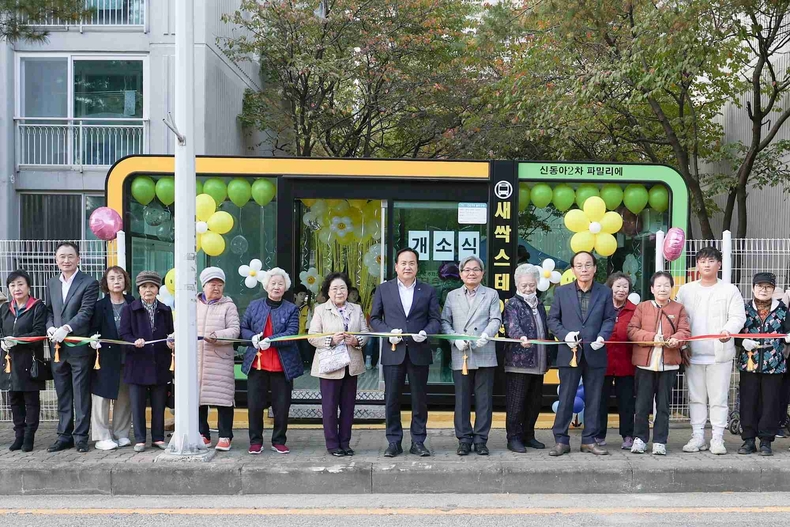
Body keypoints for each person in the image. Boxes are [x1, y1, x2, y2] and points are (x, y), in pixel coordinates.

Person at [370, 247, 441, 458]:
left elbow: (435, 320)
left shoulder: (428, 290)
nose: (407, 266)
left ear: (417, 266)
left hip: (419, 351)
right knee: (392, 398)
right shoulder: (384, 289)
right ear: (396, 266)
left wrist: (426, 333)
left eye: (411, 263)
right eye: (403, 263)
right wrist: (387, 333)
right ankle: (394, 442)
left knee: (419, 399)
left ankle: (418, 441)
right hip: (394, 351)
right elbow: (374, 319)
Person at [676, 246, 746, 455]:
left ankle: (717, 437)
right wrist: (683, 345)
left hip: (720, 355)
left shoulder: (729, 290)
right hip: (693, 354)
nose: (706, 265)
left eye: (711, 261)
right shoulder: (686, 290)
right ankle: (697, 436)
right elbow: (679, 319)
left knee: (718, 398)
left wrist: (728, 330)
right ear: (697, 264)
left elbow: (738, 317)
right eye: (702, 261)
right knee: (696, 397)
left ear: (719, 264)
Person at [547, 251, 616, 456]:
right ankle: (561, 440)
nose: (584, 269)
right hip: (570, 353)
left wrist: (603, 337)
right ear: (573, 269)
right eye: (579, 265)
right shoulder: (562, 292)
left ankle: (589, 440)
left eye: (588, 265)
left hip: (596, 352)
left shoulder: (604, 292)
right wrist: (565, 335)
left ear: (595, 268)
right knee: (566, 397)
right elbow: (553, 320)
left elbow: (609, 319)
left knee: (594, 398)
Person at [441, 255, 502, 456]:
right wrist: (454, 339)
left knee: (484, 400)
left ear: (482, 273)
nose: (471, 273)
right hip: (462, 353)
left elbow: (496, 319)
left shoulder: (491, 294)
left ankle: (481, 439)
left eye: (476, 269)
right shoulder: (452, 296)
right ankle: (464, 439)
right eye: (467, 270)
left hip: (484, 350)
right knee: (462, 399)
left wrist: (487, 334)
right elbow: (444, 322)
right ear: (460, 274)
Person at [240, 268, 303, 455]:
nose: (276, 287)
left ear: (286, 288)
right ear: (266, 285)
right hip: (256, 364)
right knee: (255, 405)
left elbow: (292, 333)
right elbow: (244, 327)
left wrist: (272, 340)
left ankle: (279, 440)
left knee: (282, 406)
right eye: (273, 283)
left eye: (280, 284)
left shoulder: (291, 309)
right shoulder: (254, 306)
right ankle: (255, 441)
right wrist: (251, 337)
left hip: (282, 365)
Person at [627, 271, 691, 455]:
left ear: (672, 288)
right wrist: (652, 338)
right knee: (641, 404)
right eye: (659, 286)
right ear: (652, 289)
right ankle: (639, 439)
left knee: (663, 405)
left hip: (668, 364)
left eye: (666, 285)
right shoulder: (642, 307)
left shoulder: (678, 309)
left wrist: (676, 340)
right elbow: (632, 330)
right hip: (644, 364)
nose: (663, 289)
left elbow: (684, 331)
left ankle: (660, 441)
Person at [45, 242, 100, 453]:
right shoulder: (52, 283)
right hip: (58, 348)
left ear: (78, 258)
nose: (66, 260)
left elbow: (86, 312)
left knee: (80, 393)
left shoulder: (89, 282)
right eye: (62, 257)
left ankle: (80, 437)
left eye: (70, 256)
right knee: (63, 393)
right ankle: (63, 436)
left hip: (78, 347)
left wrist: (67, 328)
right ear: (56, 260)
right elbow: (48, 311)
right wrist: (50, 328)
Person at [308, 272, 369, 456]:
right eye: (334, 288)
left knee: (348, 407)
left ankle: (346, 443)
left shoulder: (356, 309)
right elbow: (312, 336)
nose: (339, 291)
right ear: (328, 291)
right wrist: (331, 341)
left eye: (342, 288)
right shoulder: (320, 310)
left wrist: (356, 340)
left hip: (351, 365)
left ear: (348, 290)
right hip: (330, 367)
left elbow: (366, 333)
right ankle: (332, 444)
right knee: (329, 408)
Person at [119, 271, 175, 452]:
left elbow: (170, 333)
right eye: (144, 287)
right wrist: (134, 342)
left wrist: (170, 341)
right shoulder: (129, 309)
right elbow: (123, 335)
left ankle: (158, 438)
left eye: (152, 286)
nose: (148, 290)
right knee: (138, 405)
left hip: (160, 363)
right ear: (138, 289)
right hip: (137, 365)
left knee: (159, 405)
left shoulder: (165, 310)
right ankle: (141, 439)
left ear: (158, 289)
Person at [735, 272, 790, 456]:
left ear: (773, 289)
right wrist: (742, 342)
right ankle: (748, 441)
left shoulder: (782, 310)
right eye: (760, 286)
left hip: (774, 366)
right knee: (748, 402)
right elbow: (734, 334)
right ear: (753, 288)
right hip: (749, 364)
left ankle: (766, 441)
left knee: (771, 404)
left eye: (767, 287)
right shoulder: (743, 309)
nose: (763, 290)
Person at [503, 264, 550, 453]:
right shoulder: (512, 304)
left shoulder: (539, 304)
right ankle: (513, 438)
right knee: (517, 402)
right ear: (517, 284)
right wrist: (520, 337)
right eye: (524, 285)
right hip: (518, 363)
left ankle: (528, 435)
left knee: (534, 402)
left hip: (539, 363)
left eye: (531, 285)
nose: (528, 289)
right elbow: (511, 326)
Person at [88, 266, 134, 451]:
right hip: (104, 357)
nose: (116, 281)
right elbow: (92, 329)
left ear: (125, 281)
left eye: (120, 278)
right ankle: (102, 436)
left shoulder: (132, 302)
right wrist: (92, 339)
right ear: (106, 283)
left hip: (128, 357)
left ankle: (121, 434)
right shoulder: (99, 305)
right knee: (101, 397)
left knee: (125, 397)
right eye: (112, 278)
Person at [0, 270, 47, 452]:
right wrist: (4, 341)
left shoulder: (37, 307)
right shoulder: (4, 309)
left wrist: (16, 339)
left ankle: (29, 437)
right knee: (14, 399)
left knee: (31, 401)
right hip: (8, 360)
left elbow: (39, 332)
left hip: (29, 360)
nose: (16, 288)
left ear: (28, 286)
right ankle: (18, 435)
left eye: (20, 284)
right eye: (12, 285)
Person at [196, 267, 240, 451]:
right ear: (203, 285)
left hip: (219, 360)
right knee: (197, 400)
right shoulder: (193, 304)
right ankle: (203, 435)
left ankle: (225, 436)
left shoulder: (228, 306)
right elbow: (182, 326)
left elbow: (234, 330)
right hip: (197, 360)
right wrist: (173, 339)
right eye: (212, 284)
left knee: (223, 400)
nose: (216, 288)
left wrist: (217, 335)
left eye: (220, 285)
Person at [597, 272, 637, 450]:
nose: (621, 290)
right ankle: (598, 435)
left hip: (626, 363)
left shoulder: (635, 310)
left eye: (625, 287)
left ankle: (628, 435)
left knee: (627, 401)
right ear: (610, 287)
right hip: (602, 362)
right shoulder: (600, 307)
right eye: (618, 286)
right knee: (599, 400)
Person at [294, 284, 314, 366]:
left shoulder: (307, 308)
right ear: (295, 295)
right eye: (301, 294)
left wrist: (307, 330)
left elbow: (309, 320)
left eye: (304, 295)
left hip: (304, 334)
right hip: (294, 334)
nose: (303, 297)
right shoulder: (291, 307)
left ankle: (306, 363)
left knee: (306, 349)